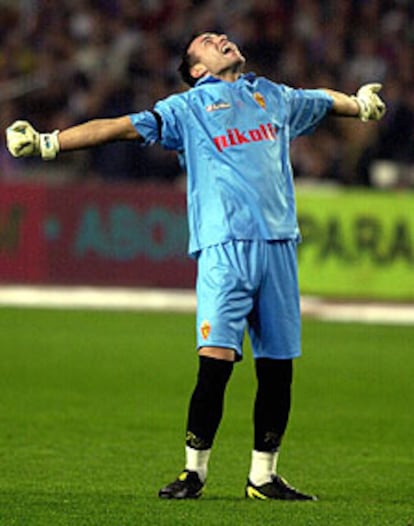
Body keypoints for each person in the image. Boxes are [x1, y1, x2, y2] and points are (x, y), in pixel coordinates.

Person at [5, 32, 386, 501]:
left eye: (221, 36)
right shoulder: (187, 109)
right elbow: (121, 126)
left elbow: (321, 101)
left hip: (280, 245)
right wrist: (48, 143)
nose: (222, 38)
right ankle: (194, 473)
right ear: (197, 70)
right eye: (208, 41)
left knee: (278, 369)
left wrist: (358, 103)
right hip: (223, 247)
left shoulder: (272, 95)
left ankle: (263, 478)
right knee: (216, 365)